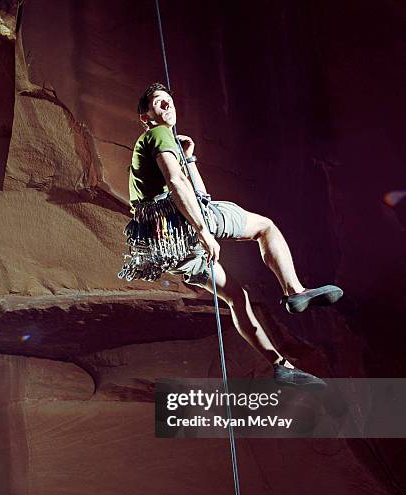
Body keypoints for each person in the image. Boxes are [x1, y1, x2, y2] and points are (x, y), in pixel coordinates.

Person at [119, 83, 344, 386]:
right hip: (182, 225)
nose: (166, 107)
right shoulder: (157, 134)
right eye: (158, 103)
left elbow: (197, 190)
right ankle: (295, 291)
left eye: (169, 102)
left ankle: (280, 365)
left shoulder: (159, 143)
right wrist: (203, 231)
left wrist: (190, 158)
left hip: (169, 248)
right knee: (266, 227)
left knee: (237, 298)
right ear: (145, 116)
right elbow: (177, 185)